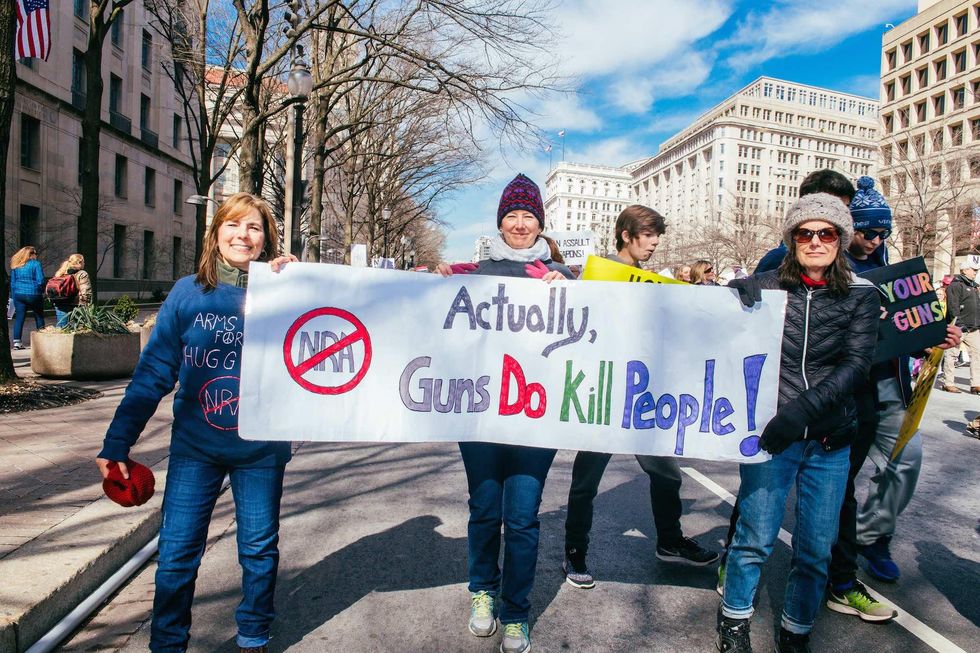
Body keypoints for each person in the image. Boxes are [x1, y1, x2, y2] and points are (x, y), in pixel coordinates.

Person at [96, 193, 296, 653]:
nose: (243, 235)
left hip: (261, 450)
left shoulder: (287, 290)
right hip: (195, 448)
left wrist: (305, 280)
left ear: (267, 238)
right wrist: (116, 443)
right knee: (176, 556)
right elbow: (153, 373)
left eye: (254, 227)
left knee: (259, 552)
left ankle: (253, 633)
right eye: (233, 225)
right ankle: (167, 644)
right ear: (216, 232)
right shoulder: (189, 292)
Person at [719, 193, 881, 653]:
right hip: (770, 440)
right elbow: (705, 328)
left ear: (841, 240)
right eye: (804, 233)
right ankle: (733, 624)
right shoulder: (766, 284)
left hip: (829, 441)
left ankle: (796, 630)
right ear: (791, 240)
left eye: (826, 233)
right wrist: (728, 297)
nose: (815, 241)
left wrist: (799, 413)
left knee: (814, 551)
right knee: (753, 540)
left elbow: (855, 367)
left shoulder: (863, 295)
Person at [437, 174, 572, 653]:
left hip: (536, 420)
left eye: (528, 215)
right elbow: (420, 302)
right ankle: (482, 593)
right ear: (500, 221)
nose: (519, 223)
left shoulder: (563, 276)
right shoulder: (474, 270)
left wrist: (570, 289)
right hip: (481, 416)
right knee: (484, 509)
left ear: (541, 222)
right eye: (511, 215)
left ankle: (516, 614)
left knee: (522, 518)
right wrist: (436, 279)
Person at [561, 205, 718, 593]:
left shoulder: (652, 282)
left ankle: (669, 541)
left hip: (642, 397)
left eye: (656, 236)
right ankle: (575, 550)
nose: (654, 243)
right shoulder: (596, 274)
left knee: (666, 473)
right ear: (626, 235)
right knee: (586, 481)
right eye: (647, 235)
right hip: (603, 393)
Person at [753, 170, 856, 274]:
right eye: (832, 207)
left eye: (845, 207)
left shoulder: (849, 265)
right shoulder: (777, 259)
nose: (841, 214)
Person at [942, 261, 980, 393]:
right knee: (952, 354)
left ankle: (976, 384)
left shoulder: (975, 287)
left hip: (974, 327)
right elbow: (953, 306)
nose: (975, 272)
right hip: (959, 327)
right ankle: (948, 383)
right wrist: (958, 324)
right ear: (964, 270)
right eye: (973, 269)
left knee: (977, 355)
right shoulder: (956, 285)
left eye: (976, 270)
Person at [9, 246, 46, 349]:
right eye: (35, 253)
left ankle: (17, 342)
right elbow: (40, 280)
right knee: (38, 316)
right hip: (34, 293)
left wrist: (13, 296)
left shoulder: (16, 265)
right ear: (31, 254)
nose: (36, 255)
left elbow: (12, 282)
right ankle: (41, 339)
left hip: (18, 294)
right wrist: (43, 290)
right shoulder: (36, 264)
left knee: (19, 318)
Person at [51, 253, 93, 327]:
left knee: (61, 327)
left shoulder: (61, 272)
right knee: (75, 328)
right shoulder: (82, 273)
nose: (84, 263)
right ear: (80, 262)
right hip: (75, 304)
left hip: (59, 302)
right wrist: (86, 304)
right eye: (83, 262)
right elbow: (85, 291)